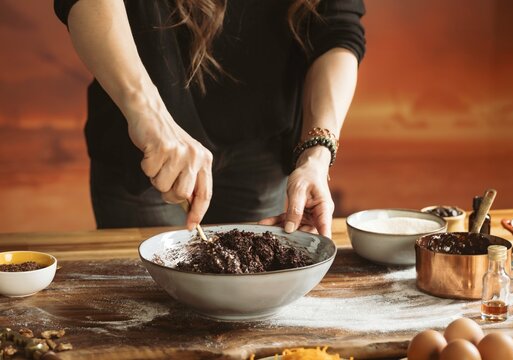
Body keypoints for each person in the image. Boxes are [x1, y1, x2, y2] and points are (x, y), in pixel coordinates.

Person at [53, 0, 365, 238]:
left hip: (265, 153)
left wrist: (316, 154)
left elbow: (337, 29)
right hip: (146, 152)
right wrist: (149, 116)